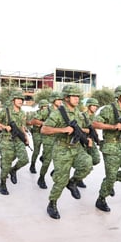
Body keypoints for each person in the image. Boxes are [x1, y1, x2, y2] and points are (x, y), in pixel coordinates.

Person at [41, 85, 93, 219]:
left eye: (78, 97)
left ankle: (73, 182)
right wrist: (63, 130)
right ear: (66, 98)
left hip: (76, 147)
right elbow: (44, 129)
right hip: (62, 149)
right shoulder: (57, 113)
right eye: (74, 96)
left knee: (87, 164)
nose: (77, 99)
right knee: (61, 181)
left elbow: (81, 129)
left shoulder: (78, 113)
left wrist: (87, 139)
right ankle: (52, 203)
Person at [92, 85, 121, 212]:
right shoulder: (108, 109)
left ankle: (109, 181)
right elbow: (94, 123)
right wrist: (113, 127)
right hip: (110, 146)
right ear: (118, 96)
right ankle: (101, 199)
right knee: (111, 176)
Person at [0, 91, 29, 195]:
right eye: (18, 99)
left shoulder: (22, 113)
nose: (20, 101)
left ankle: (14, 170)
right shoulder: (5, 111)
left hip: (18, 140)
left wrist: (25, 137)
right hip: (6, 141)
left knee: (25, 159)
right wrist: (4, 127)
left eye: (22, 99)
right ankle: (2, 183)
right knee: (6, 165)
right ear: (13, 100)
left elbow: (22, 127)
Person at [37, 91, 63, 189]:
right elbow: (34, 120)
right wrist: (45, 124)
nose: (60, 101)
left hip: (59, 139)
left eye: (61, 99)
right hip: (48, 139)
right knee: (47, 161)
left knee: (62, 160)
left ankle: (55, 172)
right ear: (53, 100)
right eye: (58, 99)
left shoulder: (62, 111)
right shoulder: (47, 110)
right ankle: (41, 177)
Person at [77, 97, 101, 188]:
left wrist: (96, 137)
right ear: (88, 106)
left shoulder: (95, 117)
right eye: (93, 105)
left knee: (96, 159)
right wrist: (88, 131)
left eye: (96, 106)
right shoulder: (82, 116)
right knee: (86, 161)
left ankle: (80, 172)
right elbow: (77, 128)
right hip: (82, 141)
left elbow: (95, 129)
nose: (95, 107)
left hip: (91, 140)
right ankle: (79, 179)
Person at [28, 99, 49, 174]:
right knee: (36, 151)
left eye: (46, 106)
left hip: (46, 134)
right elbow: (30, 122)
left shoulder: (49, 114)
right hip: (37, 133)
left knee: (48, 149)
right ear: (40, 106)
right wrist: (42, 123)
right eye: (43, 106)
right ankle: (32, 164)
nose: (45, 107)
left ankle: (43, 157)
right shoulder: (35, 114)